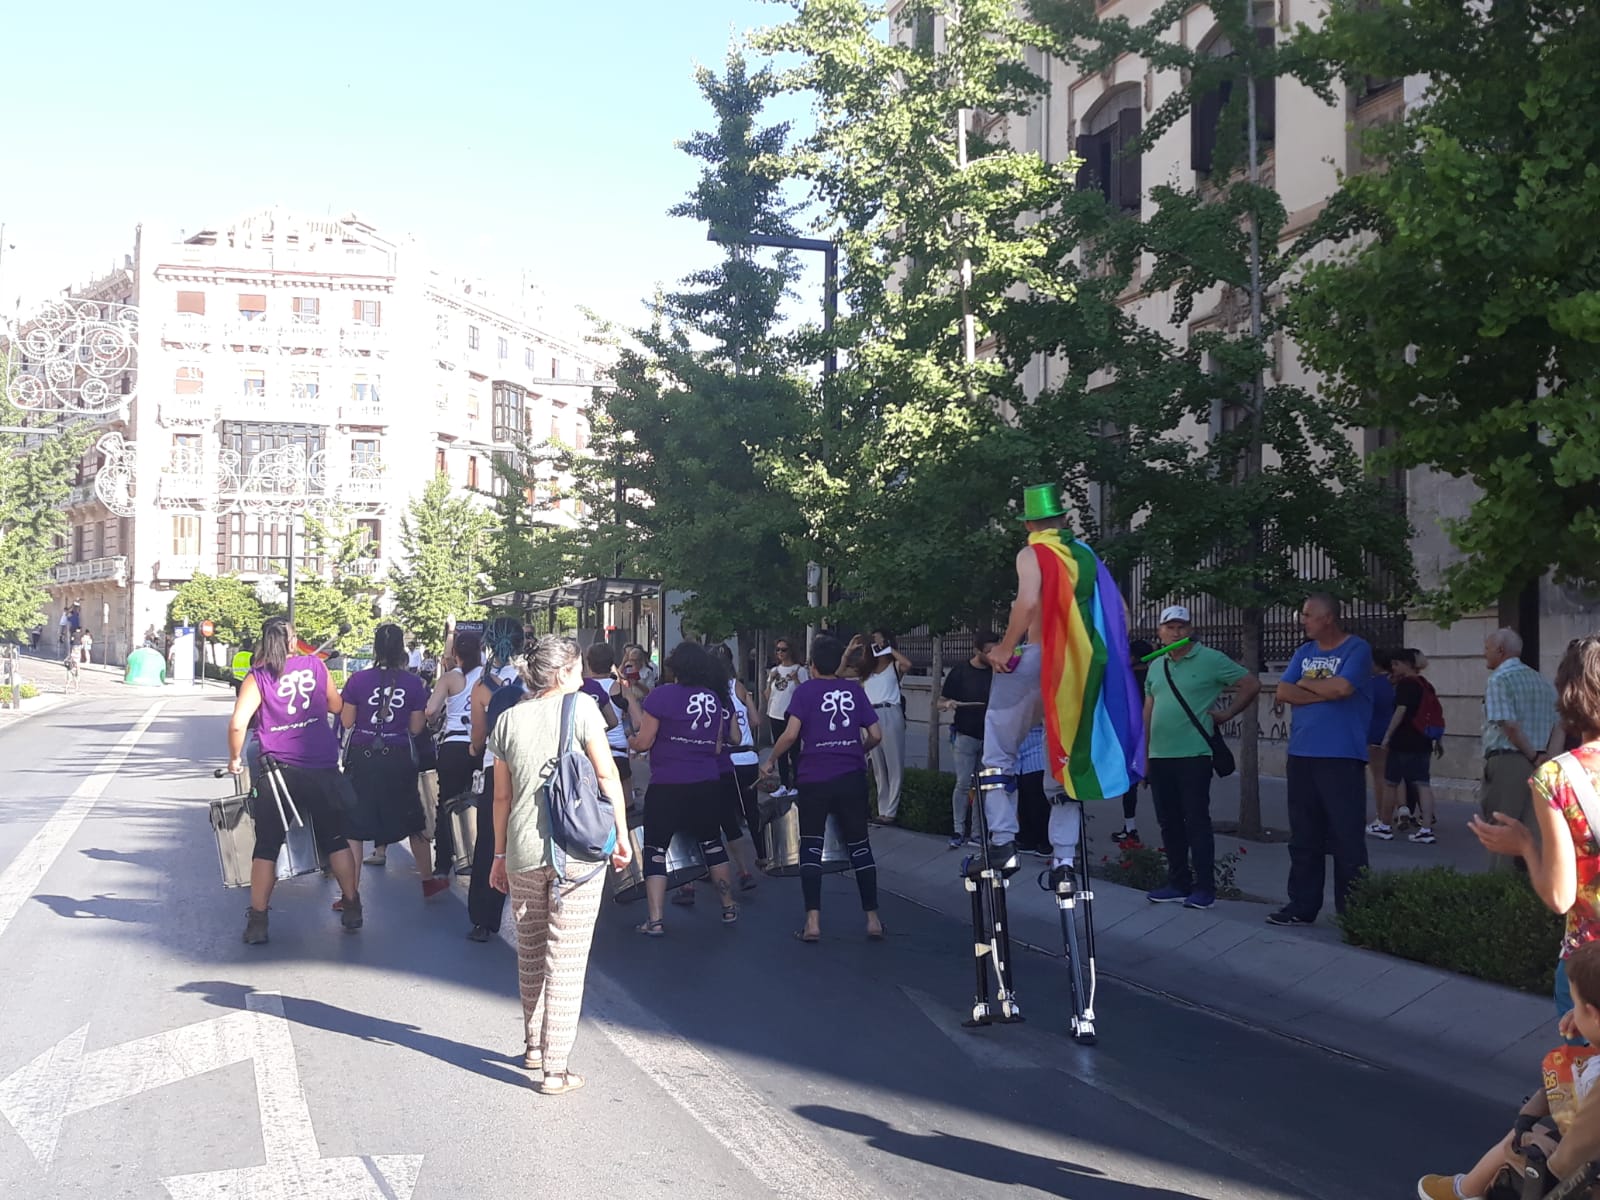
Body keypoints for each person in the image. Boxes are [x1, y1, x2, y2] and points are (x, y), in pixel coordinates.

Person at [486, 636, 631, 1097]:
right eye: (579, 668)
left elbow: (501, 797)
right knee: (565, 962)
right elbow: (607, 775)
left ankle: (532, 1045)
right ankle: (555, 1069)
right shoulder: (583, 707)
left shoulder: (507, 720)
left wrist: (498, 855)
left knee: (529, 952)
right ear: (564, 672)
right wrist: (622, 835)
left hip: (524, 852)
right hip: (579, 853)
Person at [982, 483, 1143, 885]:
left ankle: (1003, 840)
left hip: (1037, 661)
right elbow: (1121, 612)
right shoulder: (1086, 555)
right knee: (1063, 756)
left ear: (1029, 524)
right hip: (1078, 670)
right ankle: (1064, 859)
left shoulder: (1033, 553)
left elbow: (1028, 602)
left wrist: (1004, 647)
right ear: (1065, 520)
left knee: (998, 750)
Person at [1473, 635, 1600, 1025]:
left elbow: (1561, 896)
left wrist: (1527, 845)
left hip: (1589, 960)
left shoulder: (1558, 778)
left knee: (1579, 1077)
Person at [1416, 940, 1600, 1200]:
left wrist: (1547, 1159)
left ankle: (1463, 1191)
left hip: (1584, 1172)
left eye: (1577, 1006)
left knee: (1521, 1142)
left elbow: (1572, 1154)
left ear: (1594, 1013)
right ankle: (1465, 1190)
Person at [226, 616, 362, 944]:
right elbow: (335, 704)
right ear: (292, 641)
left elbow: (237, 724)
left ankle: (258, 921)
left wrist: (234, 759)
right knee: (334, 839)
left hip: (277, 771)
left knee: (268, 844)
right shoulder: (315, 667)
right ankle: (353, 904)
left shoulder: (257, 676)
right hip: (321, 765)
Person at [763, 633, 885, 942]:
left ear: (813, 664)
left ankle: (813, 923)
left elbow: (790, 736)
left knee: (811, 846)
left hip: (815, 777)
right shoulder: (854, 691)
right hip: (851, 776)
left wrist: (771, 760)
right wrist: (861, 749)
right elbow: (876, 733)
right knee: (860, 846)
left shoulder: (804, 693)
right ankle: (873, 919)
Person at [1142, 606, 1260, 910]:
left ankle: (1205, 888)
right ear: (1160, 631)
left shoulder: (1210, 659)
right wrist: (1142, 753)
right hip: (1160, 756)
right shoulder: (1157, 665)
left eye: (1181, 626)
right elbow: (1148, 709)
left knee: (1196, 821)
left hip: (1193, 754)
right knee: (1168, 823)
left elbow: (1250, 684)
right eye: (1170, 627)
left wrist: (1227, 714)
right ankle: (1177, 882)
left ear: (1191, 629)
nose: (1176, 632)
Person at [1268, 593, 1374, 927]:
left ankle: (1354, 910)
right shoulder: (1304, 652)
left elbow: (1343, 689)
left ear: (1328, 617)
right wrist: (1318, 690)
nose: (1303, 619)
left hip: (1341, 756)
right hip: (1301, 754)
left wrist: (1306, 686)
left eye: (1308, 614)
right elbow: (1284, 692)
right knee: (1303, 836)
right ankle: (1301, 905)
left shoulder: (1356, 649)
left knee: (1346, 836)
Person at [627, 641, 740, 934]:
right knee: (713, 843)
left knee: (655, 848)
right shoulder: (714, 698)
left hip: (668, 783)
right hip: (705, 781)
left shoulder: (661, 696)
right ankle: (728, 907)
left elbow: (644, 741)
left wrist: (630, 740)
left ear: (673, 668)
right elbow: (717, 746)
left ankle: (655, 920)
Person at [340, 623, 444, 901]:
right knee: (413, 819)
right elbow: (417, 727)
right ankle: (427, 881)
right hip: (398, 757)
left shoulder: (357, 681)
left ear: (375, 648)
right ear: (402, 649)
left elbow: (347, 721)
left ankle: (350, 894)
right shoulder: (413, 684)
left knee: (355, 825)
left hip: (362, 757)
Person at [464, 620, 528, 938]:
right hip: (530, 768)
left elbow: (478, 737)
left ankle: (483, 918)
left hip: (495, 766)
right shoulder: (534, 679)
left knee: (491, 840)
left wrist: (477, 748)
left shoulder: (481, 685)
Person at [1479, 626, 1560, 870]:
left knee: (1501, 830)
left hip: (1509, 760)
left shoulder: (1499, 680)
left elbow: (1509, 726)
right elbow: (1559, 725)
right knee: (1532, 833)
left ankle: (1498, 893)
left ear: (1501, 651)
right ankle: (1531, 892)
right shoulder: (1543, 682)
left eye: (1487, 649)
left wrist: (1532, 754)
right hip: (1540, 763)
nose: (1484, 654)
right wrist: (1544, 759)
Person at [425, 630, 484, 878]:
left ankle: (443, 862)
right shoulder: (487, 676)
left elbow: (430, 710)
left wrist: (436, 721)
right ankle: (479, 854)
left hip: (453, 744)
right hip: (481, 743)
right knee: (482, 801)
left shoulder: (450, 678)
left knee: (446, 803)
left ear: (456, 653)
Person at [1371, 648, 1442, 845]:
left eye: (1396, 664)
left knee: (1391, 783)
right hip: (1424, 740)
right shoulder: (1425, 684)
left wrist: (1387, 736)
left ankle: (1384, 825)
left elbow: (1400, 712)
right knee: (1423, 784)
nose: (1393, 668)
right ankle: (1426, 829)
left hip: (1403, 740)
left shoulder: (1406, 685)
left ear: (1406, 664)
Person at [939, 631, 998, 849]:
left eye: (995, 651)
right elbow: (939, 701)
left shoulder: (996, 671)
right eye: (988, 651)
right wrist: (949, 704)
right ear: (977, 650)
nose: (993, 655)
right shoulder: (960, 671)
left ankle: (977, 833)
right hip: (965, 735)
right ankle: (957, 830)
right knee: (963, 783)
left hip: (990, 737)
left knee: (983, 787)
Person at [847, 630, 911, 826]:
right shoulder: (866, 671)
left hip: (890, 711)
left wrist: (889, 649)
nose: (876, 646)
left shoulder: (894, 666)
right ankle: (882, 809)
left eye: (879, 642)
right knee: (877, 766)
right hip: (870, 715)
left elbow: (908, 665)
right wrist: (849, 651)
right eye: (874, 642)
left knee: (894, 763)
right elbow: (839, 672)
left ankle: (891, 811)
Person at [1117, 639, 1156, 847]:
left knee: (1130, 784)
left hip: (1133, 738)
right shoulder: (1156, 676)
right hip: (1156, 737)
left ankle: (1130, 827)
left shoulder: (1127, 679)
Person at [763, 638, 808, 798]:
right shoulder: (775, 670)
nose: (780, 653)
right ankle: (783, 784)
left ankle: (796, 784)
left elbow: (804, 693)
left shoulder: (800, 670)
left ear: (791, 651)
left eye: (784, 649)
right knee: (780, 750)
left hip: (792, 714)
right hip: (775, 712)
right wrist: (770, 681)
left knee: (794, 751)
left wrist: (796, 680)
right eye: (778, 650)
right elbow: (767, 695)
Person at [1015, 724, 1052, 859]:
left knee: (1038, 802)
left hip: (1037, 751)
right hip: (1018, 755)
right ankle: (1027, 838)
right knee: (1023, 801)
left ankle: (1045, 842)